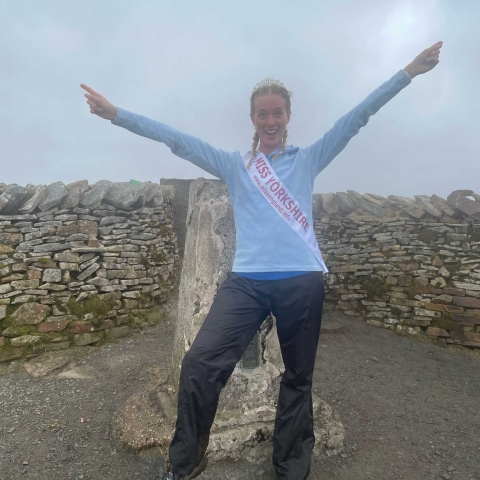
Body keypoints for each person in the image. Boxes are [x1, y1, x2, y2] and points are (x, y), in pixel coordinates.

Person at [81, 41, 443, 480]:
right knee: (200, 363)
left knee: (297, 376)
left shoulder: (308, 159)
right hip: (247, 282)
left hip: (302, 282)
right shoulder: (235, 165)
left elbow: (357, 117)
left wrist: (407, 72)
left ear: (287, 117)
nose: (270, 121)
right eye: (262, 114)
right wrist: (116, 114)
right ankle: (187, 463)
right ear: (252, 119)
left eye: (277, 113)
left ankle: (290, 468)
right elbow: (175, 140)